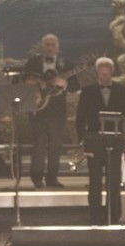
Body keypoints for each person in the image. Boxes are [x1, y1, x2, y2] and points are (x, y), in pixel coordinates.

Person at [77, 57, 125, 225]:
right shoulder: (87, 92)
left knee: (114, 181)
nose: (105, 77)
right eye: (102, 74)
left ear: (112, 72)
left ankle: (113, 216)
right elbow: (80, 120)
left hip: (115, 142)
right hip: (94, 142)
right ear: (97, 73)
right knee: (95, 182)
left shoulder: (123, 91)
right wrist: (84, 144)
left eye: (107, 73)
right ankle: (95, 217)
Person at [23, 34, 75, 189]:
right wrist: (38, 84)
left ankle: (52, 178)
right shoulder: (33, 62)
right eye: (47, 44)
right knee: (38, 144)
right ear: (42, 46)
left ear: (58, 47)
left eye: (53, 44)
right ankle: (37, 178)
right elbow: (24, 80)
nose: (50, 47)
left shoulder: (66, 63)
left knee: (56, 145)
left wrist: (65, 84)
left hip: (58, 111)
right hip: (37, 109)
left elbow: (75, 86)